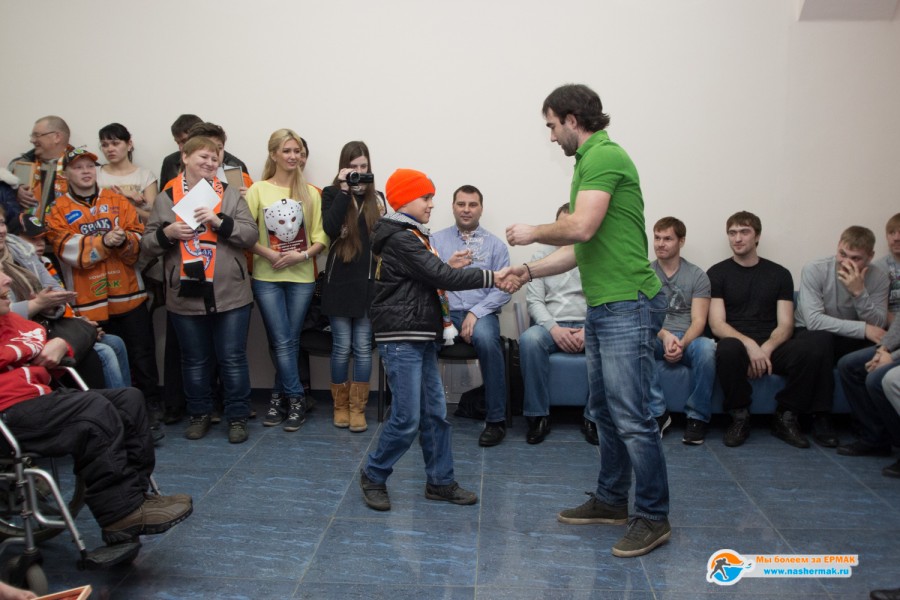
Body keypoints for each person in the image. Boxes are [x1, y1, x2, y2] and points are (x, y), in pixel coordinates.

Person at [504, 83, 670, 558]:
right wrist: (528, 270)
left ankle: (653, 516)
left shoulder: (604, 157)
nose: (551, 136)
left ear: (572, 119)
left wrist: (533, 231)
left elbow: (580, 227)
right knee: (605, 411)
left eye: (552, 126)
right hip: (605, 305)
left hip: (627, 302)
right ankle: (612, 500)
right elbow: (581, 248)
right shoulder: (587, 163)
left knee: (632, 416)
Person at [0, 263, 193, 547]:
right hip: (8, 412)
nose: (7, 280)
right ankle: (120, 514)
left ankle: (136, 497)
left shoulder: (11, 320)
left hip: (39, 399)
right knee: (93, 408)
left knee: (129, 399)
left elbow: (71, 329)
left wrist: (61, 343)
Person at [360, 168, 498, 512]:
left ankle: (440, 481)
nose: (431, 204)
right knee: (407, 418)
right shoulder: (401, 238)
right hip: (402, 338)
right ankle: (373, 474)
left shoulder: (412, 236)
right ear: (406, 199)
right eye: (426, 197)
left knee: (435, 414)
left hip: (419, 334)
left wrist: (446, 266)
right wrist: (493, 276)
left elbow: (425, 276)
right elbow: (440, 277)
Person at [141, 136, 258, 444]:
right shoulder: (166, 197)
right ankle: (199, 414)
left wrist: (220, 222)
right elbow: (147, 244)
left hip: (230, 292)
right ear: (185, 157)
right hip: (185, 292)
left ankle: (237, 416)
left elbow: (250, 235)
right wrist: (167, 233)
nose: (210, 163)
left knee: (232, 358)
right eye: (203, 157)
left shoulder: (229, 194)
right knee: (194, 360)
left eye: (214, 158)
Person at [43, 148, 163, 433]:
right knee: (102, 362)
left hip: (129, 295)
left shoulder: (117, 200)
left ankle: (149, 410)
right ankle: (110, 419)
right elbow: (64, 248)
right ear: (66, 174)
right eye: (78, 167)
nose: (85, 172)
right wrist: (103, 242)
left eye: (89, 166)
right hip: (88, 301)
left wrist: (124, 240)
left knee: (142, 356)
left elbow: (139, 238)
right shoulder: (57, 209)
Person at [707, 211, 833, 449]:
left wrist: (766, 348)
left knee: (813, 348)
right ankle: (739, 416)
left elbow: (786, 324)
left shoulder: (780, 274)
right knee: (727, 349)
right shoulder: (717, 273)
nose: (737, 238)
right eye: (732, 233)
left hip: (772, 345)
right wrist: (749, 345)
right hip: (737, 343)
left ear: (757, 236)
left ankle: (786, 415)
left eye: (744, 232)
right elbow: (717, 324)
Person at [246, 129, 327, 433]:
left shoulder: (311, 193)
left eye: (297, 151)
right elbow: (245, 234)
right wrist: (268, 253)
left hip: (302, 277)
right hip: (266, 276)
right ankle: (296, 398)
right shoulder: (257, 190)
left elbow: (321, 237)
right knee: (283, 340)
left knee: (289, 340)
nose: (293, 156)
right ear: (274, 154)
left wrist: (301, 256)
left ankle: (278, 397)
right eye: (287, 151)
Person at [795, 225, 889, 446]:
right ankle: (821, 417)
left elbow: (878, 325)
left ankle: (870, 428)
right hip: (811, 334)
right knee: (822, 341)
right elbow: (814, 321)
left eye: (856, 258)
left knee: (880, 350)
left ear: (870, 257)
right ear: (837, 246)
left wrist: (859, 292)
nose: (846, 263)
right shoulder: (815, 269)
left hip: (850, 337)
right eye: (842, 254)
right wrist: (863, 329)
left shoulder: (879, 277)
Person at [431, 185, 511, 447]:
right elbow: (427, 279)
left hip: (481, 313)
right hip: (444, 311)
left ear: (481, 209)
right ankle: (427, 416)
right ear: (453, 207)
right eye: (461, 204)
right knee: (421, 340)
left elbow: (504, 289)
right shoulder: (435, 241)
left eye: (472, 204)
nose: (466, 209)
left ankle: (496, 420)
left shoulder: (496, 246)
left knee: (488, 342)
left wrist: (475, 313)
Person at [17, 218, 131, 390]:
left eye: (42, 239)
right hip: (43, 335)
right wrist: (81, 330)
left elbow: (63, 303)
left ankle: (126, 400)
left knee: (116, 342)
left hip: (62, 325)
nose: (40, 244)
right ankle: (114, 404)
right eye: (32, 239)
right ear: (16, 240)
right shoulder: (18, 272)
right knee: (104, 352)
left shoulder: (46, 262)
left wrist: (80, 324)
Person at [320, 141, 387, 432]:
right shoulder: (331, 193)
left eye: (363, 166)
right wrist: (344, 190)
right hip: (339, 282)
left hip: (367, 283)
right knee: (340, 347)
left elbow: (384, 240)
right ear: (343, 168)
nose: (359, 172)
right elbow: (330, 228)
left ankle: (358, 408)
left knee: (362, 347)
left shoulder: (378, 199)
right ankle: (340, 406)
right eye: (353, 167)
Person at [519, 203, 586, 444]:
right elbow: (534, 301)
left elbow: (602, 300)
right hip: (552, 324)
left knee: (608, 340)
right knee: (529, 340)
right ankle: (538, 416)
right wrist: (554, 329)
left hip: (588, 324)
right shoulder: (541, 257)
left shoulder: (594, 255)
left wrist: (588, 330)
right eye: (561, 225)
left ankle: (595, 417)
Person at [648, 216, 716, 445]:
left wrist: (681, 343)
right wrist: (665, 336)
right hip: (657, 334)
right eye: (657, 238)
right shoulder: (645, 274)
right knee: (636, 341)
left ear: (681, 241)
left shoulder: (697, 275)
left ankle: (697, 418)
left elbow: (699, 320)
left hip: (688, 338)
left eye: (667, 239)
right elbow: (644, 316)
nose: (660, 244)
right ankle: (658, 413)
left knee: (707, 348)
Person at [836, 312, 900, 475]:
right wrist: (882, 349)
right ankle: (876, 440)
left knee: (876, 379)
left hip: (896, 354)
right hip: (894, 349)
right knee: (849, 365)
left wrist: (892, 357)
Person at [8, 116, 74, 218]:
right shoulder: (19, 165)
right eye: (32, 136)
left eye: (37, 135)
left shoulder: (83, 168)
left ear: (57, 137)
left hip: (65, 227)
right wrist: (13, 191)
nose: (32, 140)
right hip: (23, 227)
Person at [96, 122, 159, 221]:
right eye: (105, 145)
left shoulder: (146, 176)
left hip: (137, 229)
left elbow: (154, 219)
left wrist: (124, 202)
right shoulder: (94, 173)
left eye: (115, 143)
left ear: (129, 144)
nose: (110, 149)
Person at [158, 114, 203, 187]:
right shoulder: (170, 162)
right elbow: (164, 193)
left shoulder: (221, 160)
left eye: (185, 141)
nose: (181, 148)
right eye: (178, 143)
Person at [877, 212, 900, 321]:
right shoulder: (877, 268)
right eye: (892, 233)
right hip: (891, 326)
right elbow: (878, 309)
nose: (896, 238)